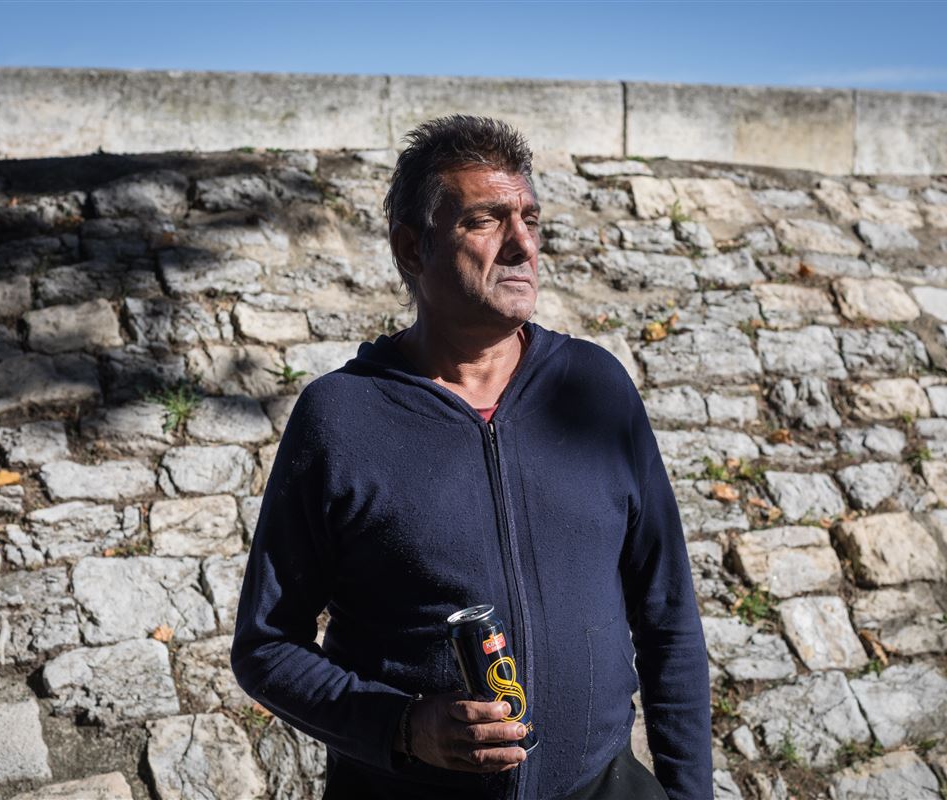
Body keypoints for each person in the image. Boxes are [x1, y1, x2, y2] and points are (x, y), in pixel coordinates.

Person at [232, 115, 712, 799]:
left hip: (603, 784)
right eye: (485, 221)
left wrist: (690, 793)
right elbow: (266, 647)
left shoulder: (595, 389)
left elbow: (669, 620)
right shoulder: (341, 417)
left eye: (530, 219)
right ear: (411, 249)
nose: (522, 244)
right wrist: (403, 727)